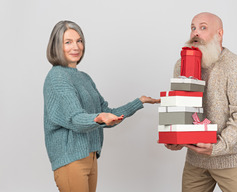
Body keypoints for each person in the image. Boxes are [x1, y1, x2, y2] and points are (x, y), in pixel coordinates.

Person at [44, 20, 160, 192]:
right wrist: (98, 118)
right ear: (56, 46)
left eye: (79, 40)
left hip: (90, 156)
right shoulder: (57, 77)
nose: (75, 47)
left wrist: (139, 102)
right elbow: (75, 119)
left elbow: (107, 113)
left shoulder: (84, 78)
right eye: (68, 42)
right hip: (71, 159)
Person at [165, 12, 237, 192]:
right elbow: (182, 106)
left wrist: (218, 146)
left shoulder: (235, 66)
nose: (195, 33)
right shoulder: (181, 64)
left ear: (219, 34)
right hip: (196, 160)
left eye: (203, 27)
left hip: (231, 158)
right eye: (193, 28)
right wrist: (175, 135)